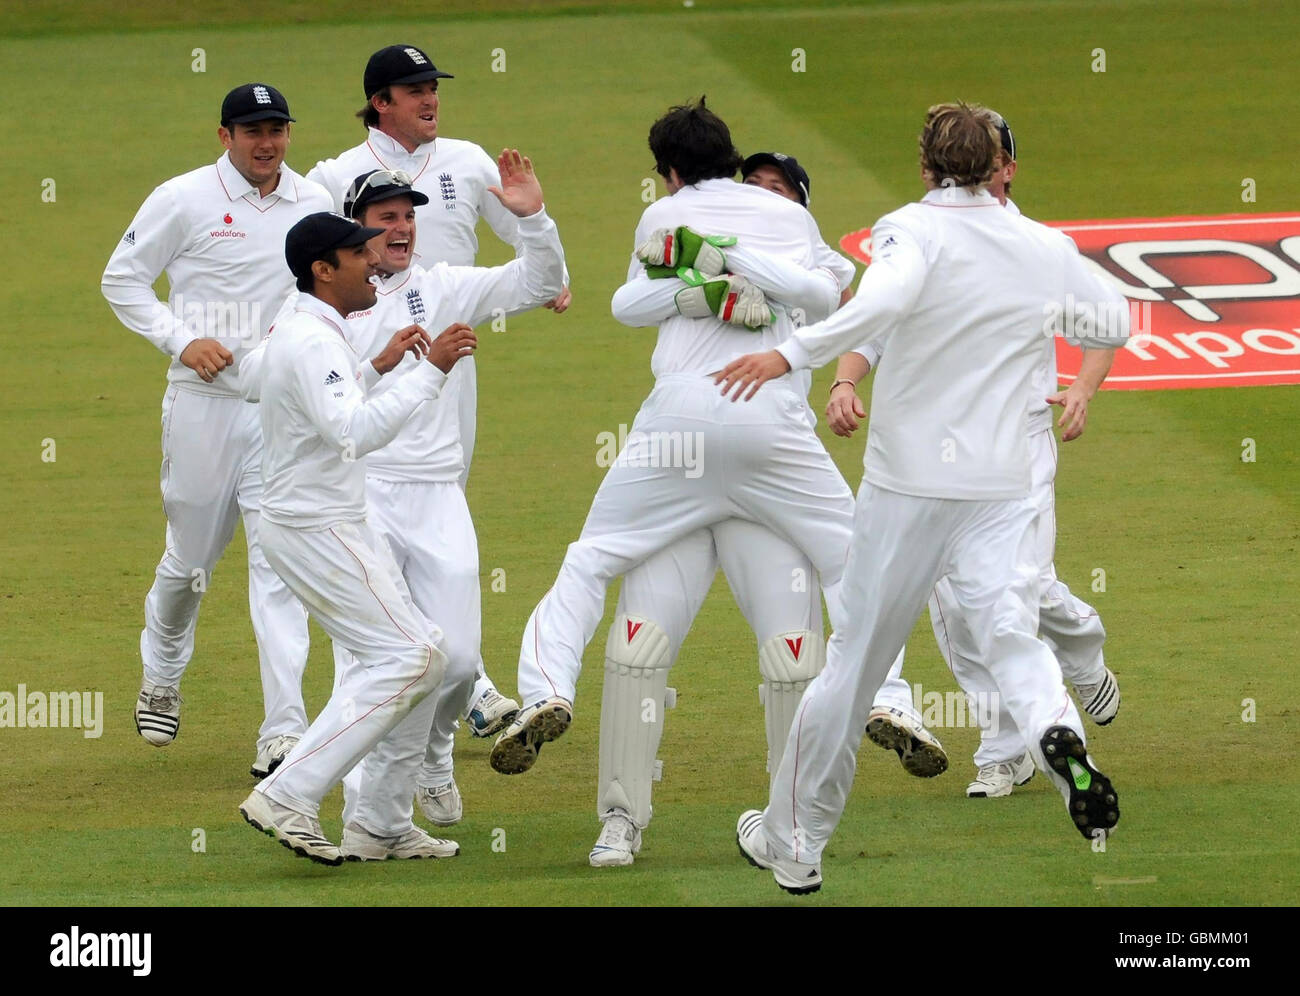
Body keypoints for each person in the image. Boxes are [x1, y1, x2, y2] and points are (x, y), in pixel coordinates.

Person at [718, 102, 1128, 894]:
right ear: (998, 165)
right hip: (1004, 487)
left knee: (853, 668)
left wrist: (791, 355)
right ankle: (1055, 731)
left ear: (926, 167)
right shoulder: (1044, 245)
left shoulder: (909, 229)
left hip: (908, 488)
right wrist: (1069, 375)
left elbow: (879, 305)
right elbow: (1112, 318)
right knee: (1010, 631)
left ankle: (795, 844)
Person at [492, 100, 864, 797]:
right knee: (853, 559)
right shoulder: (790, 217)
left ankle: (546, 687)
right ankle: (888, 698)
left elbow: (627, 306)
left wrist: (713, 265)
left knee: (591, 559)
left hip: (677, 426)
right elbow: (822, 299)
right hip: (771, 423)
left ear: (667, 172)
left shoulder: (665, 217)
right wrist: (706, 292)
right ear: (730, 155)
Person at [587, 152, 939, 869]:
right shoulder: (699, 255)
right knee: (638, 644)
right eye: (750, 190)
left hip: (764, 478)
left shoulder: (814, 267)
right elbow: (633, 300)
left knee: (793, 656)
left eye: (776, 195)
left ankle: (792, 824)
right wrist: (695, 280)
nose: (755, 204)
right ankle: (621, 820)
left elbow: (832, 297)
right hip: (681, 469)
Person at [824, 111, 1119, 799]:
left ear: (1008, 170)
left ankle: (1083, 652)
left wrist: (1081, 386)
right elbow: (879, 323)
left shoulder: (1037, 247)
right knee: (959, 603)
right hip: (938, 456)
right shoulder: (922, 241)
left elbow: (1103, 323)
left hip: (1018, 445)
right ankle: (1005, 743)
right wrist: (843, 379)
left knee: (1023, 590)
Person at [306, 42, 566, 742]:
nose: (430, 98)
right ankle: (427, 686)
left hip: (451, 344)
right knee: (378, 515)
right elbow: (303, 261)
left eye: (433, 87)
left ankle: (452, 682)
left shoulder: (468, 160)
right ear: (380, 101)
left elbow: (520, 235)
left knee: (440, 488)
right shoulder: (334, 176)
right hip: (370, 355)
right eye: (413, 88)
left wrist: (548, 265)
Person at [102, 84, 332, 778]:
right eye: (252, 130)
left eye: (277, 129)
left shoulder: (313, 199)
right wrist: (182, 340)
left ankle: (283, 732)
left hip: (277, 409)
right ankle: (162, 673)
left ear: (290, 132)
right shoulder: (183, 197)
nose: (267, 143)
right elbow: (123, 279)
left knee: (279, 567)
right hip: (202, 402)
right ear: (225, 135)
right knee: (192, 562)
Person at [324, 159, 563, 828]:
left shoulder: (446, 286)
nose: (401, 228)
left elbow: (543, 280)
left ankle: (433, 756)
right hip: (362, 496)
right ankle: (362, 807)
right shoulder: (329, 306)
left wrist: (532, 218)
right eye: (385, 218)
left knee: (456, 658)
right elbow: (324, 407)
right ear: (355, 229)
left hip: (435, 492)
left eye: (407, 216)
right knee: (371, 660)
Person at [239, 211, 477, 864]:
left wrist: (377, 365)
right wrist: (432, 373)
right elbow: (354, 433)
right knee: (414, 659)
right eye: (357, 252)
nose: (374, 260)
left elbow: (316, 406)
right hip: (319, 529)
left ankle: (379, 823)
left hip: (323, 523)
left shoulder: (316, 330)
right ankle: (291, 792)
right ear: (323, 269)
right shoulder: (312, 340)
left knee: (419, 660)